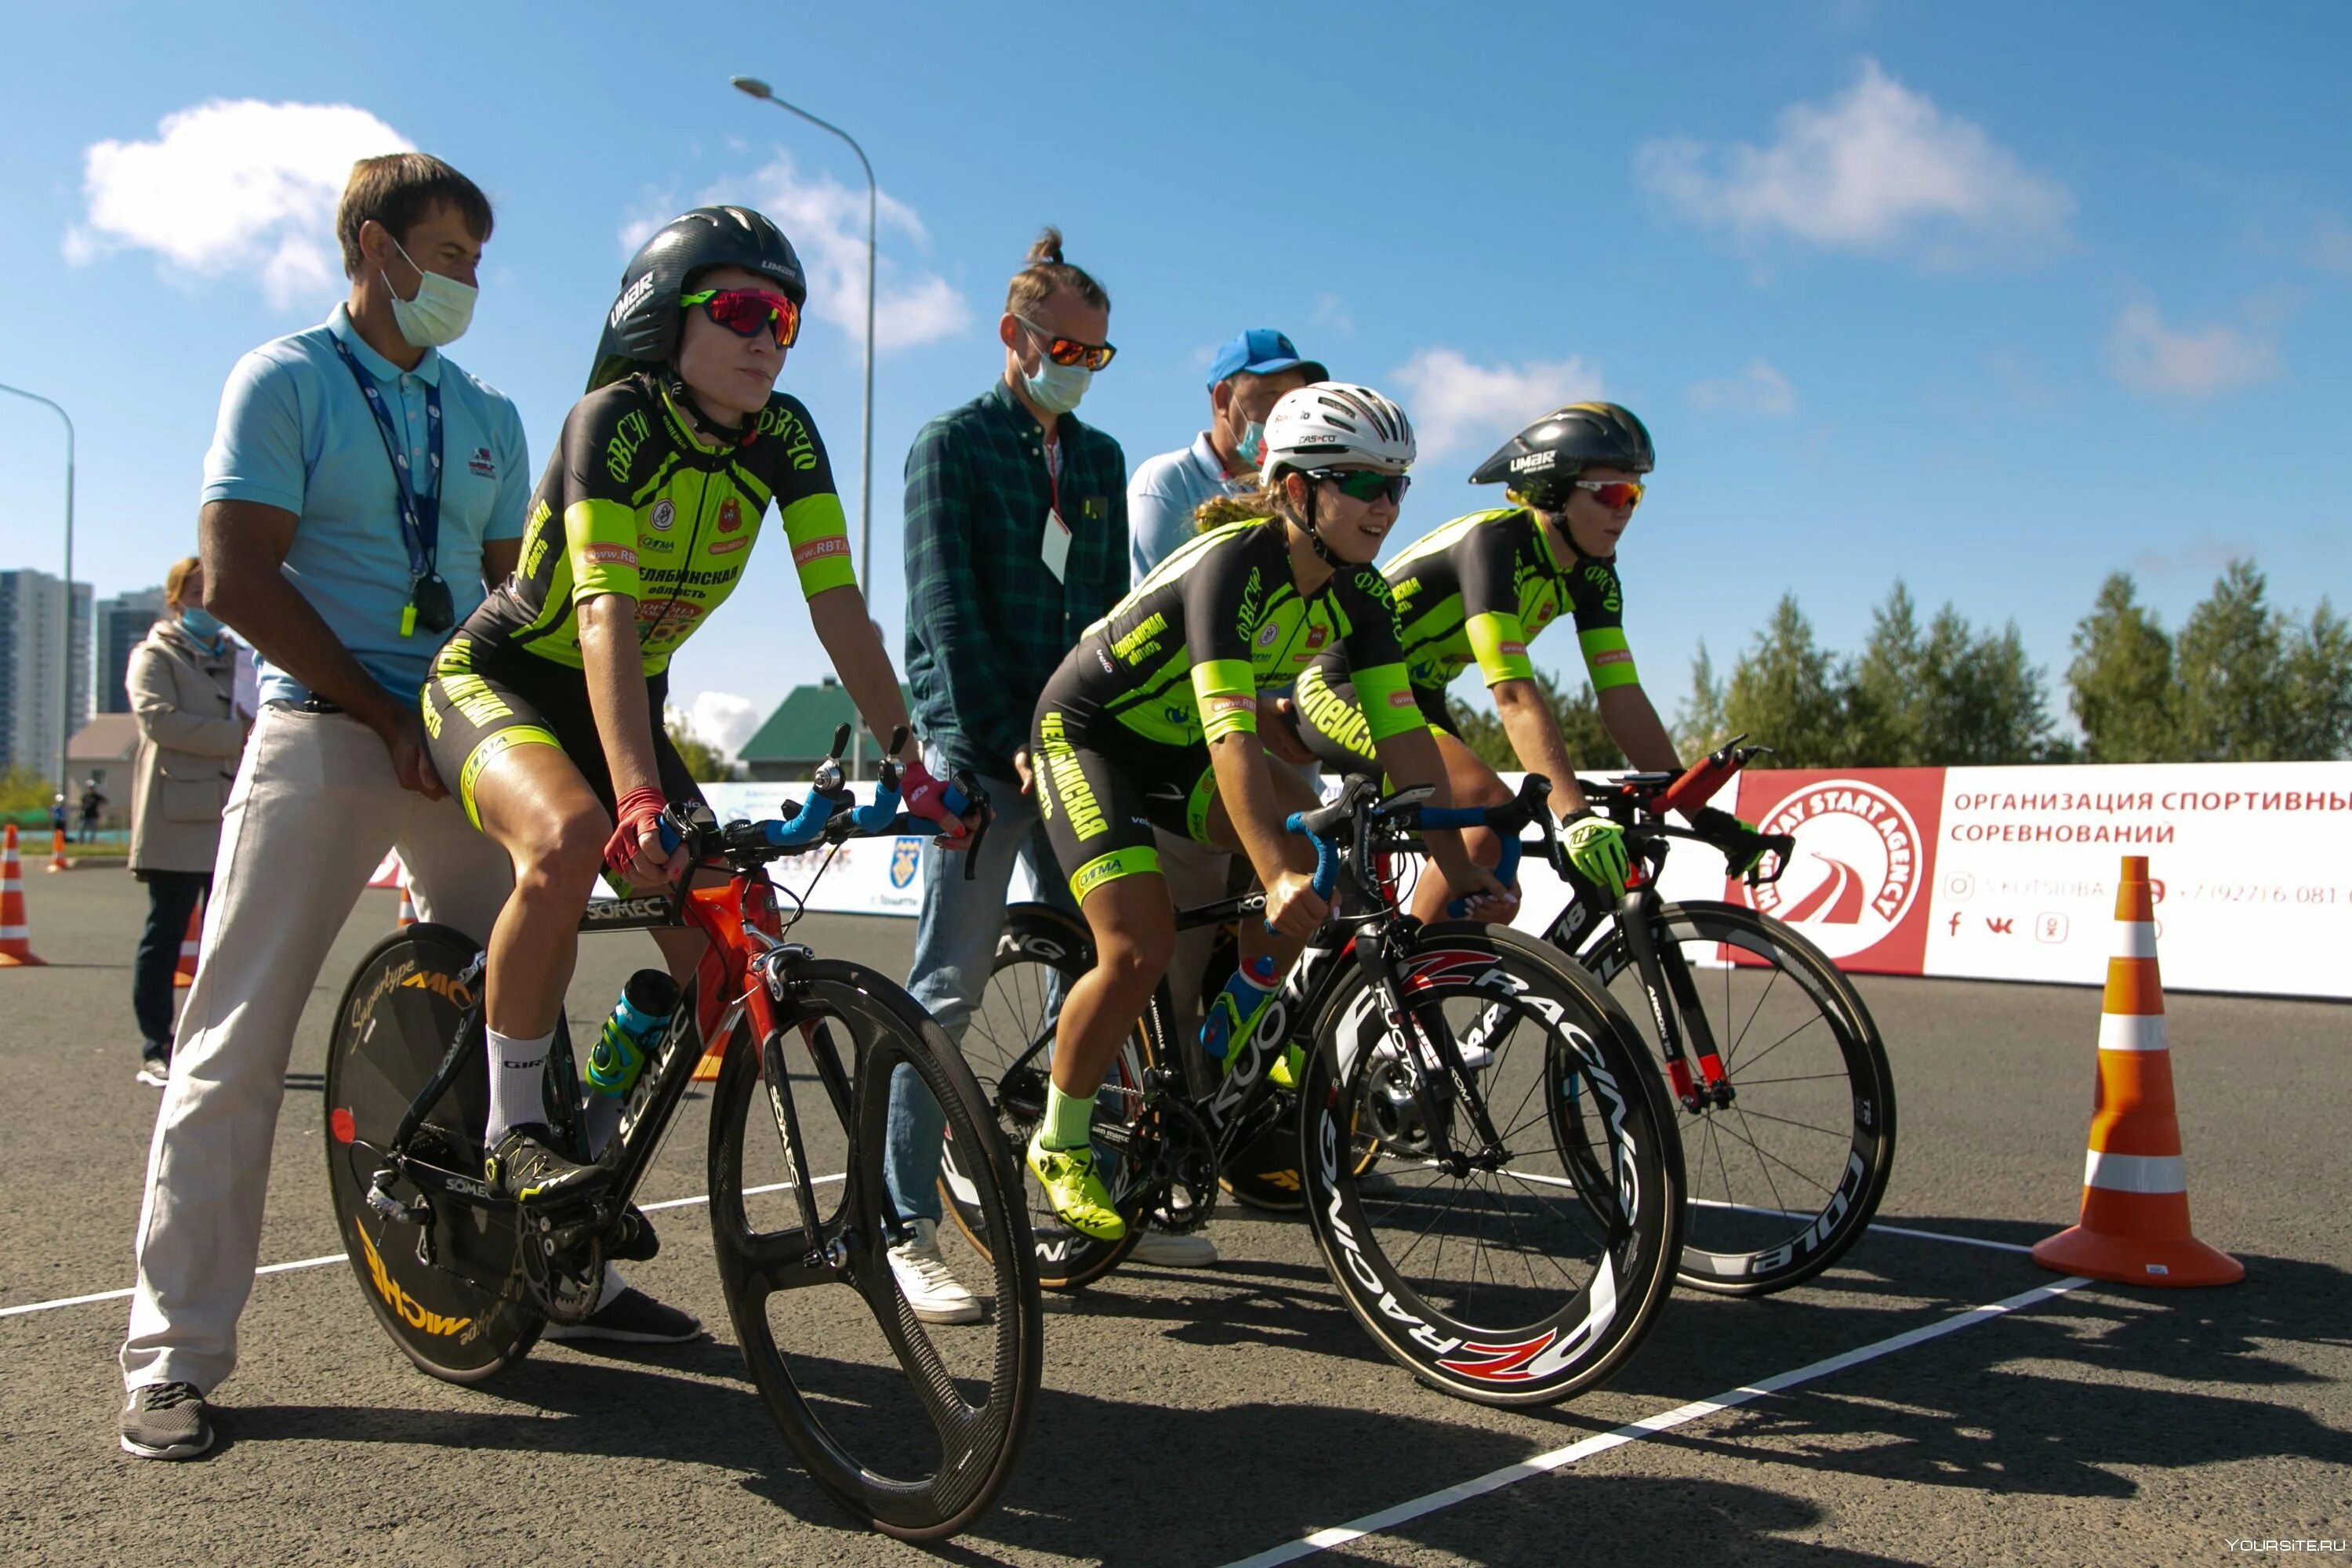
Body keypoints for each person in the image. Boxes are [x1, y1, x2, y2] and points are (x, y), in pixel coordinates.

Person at [118, 153, 681, 1465]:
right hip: (325, 731)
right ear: (374, 246)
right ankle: (172, 1358)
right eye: (450, 254)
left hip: (454, 727)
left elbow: (512, 594)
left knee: (519, 1002)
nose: (469, 281)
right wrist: (376, 713)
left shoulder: (485, 405)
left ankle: (569, 1280)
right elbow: (235, 573)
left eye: (481, 260)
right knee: (235, 1042)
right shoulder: (286, 379)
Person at [420, 204, 978, 1220]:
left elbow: (839, 609)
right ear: (660, 319)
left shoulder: (787, 438)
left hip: (620, 703)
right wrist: (637, 795)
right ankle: (511, 1134)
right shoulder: (613, 422)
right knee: (571, 841)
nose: (768, 339)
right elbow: (605, 617)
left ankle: (594, 1121)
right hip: (500, 681)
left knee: (736, 949)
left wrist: (910, 761)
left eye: (786, 323)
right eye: (739, 310)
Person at [1022, 383, 1512, 1239]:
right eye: (1364, 482)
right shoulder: (1232, 566)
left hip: (1175, 744)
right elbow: (1234, 739)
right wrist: (1275, 872)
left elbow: (1407, 749)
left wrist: (1462, 864)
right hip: (1091, 735)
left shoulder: (1361, 593)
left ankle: (1235, 1026)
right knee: (1139, 946)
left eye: (1398, 484)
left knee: (1325, 850)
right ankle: (1060, 1141)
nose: (1387, 505)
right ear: (1295, 489)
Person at [889, 227, 1162, 1319]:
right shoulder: (947, 445)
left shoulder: (1096, 461)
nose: (1079, 369)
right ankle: (901, 1224)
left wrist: (1098, 736)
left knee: (1093, 968)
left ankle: (1084, 1188)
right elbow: (944, 616)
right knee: (945, 989)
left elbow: (1102, 619)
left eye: (1098, 356)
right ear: (1014, 337)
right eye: (1064, 348)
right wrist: (1006, 738)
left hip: (1069, 747)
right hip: (978, 750)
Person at [1283, 401, 1766, 918]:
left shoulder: (1595, 573)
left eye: (1635, 495)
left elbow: (1622, 697)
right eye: (1611, 494)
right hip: (1338, 684)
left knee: (1495, 875)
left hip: (1416, 694)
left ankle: (1405, 969)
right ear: (1555, 491)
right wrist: (1574, 815)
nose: (1624, 511)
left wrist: (1698, 813)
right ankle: (1390, 990)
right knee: (1483, 806)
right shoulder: (1495, 545)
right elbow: (1512, 695)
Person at [125, 557, 245, 1087]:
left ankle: (215, 1046)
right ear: (175, 600)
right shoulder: (154, 655)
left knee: (229, 938)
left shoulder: (238, 657)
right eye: (194, 591)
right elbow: (158, 721)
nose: (203, 600)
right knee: (166, 932)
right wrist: (235, 736)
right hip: (176, 816)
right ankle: (157, 1046)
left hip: (229, 812)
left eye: (210, 589)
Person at [1126, 329, 1324, 583]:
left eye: (1294, 400)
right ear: (1222, 399)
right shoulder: (1167, 480)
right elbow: (1157, 604)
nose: (1287, 413)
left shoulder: (1299, 488)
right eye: (1272, 395)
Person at [78, 777, 108, 844]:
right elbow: (82, 803)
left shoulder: (97, 796)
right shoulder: (85, 796)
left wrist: (100, 807)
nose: (91, 789)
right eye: (90, 788)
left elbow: (105, 801)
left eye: (92, 788)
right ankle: (81, 842)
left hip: (93, 815)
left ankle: (91, 842)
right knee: (82, 829)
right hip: (85, 815)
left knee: (93, 830)